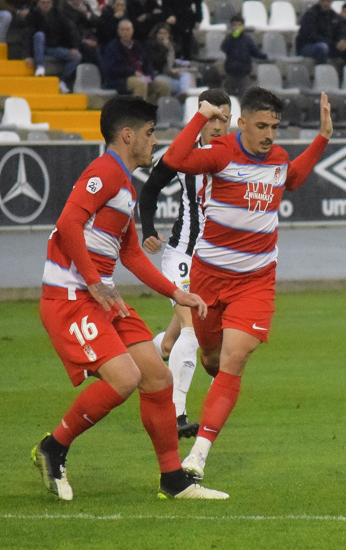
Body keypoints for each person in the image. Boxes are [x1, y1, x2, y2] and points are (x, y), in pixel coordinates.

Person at [32, 95, 228, 502]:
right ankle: (54, 446)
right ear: (127, 135)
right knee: (125, 378)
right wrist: (92, 281)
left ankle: (172, 479)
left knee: (158, 378)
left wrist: (178, 293)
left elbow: (131, 252)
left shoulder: (123, 181)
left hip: (99, 296)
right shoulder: (105, 170)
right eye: (150, 132)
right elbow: (68, 221)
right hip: (70, 296)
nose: (154, 140)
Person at [161, 89, 333, 482]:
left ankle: (198, 456)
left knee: (234, 359)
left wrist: (322, 136)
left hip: (256, 281)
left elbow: (291, 178)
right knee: (212, 359)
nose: (270, 134)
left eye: (274, 126)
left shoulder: (277, 158)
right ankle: (206, 380)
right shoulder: (221, 152)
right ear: (242, 124)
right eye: (261, 126)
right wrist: (200, 118)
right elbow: (173, 160)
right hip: (208, 279)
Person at [138, 88, 232, 438]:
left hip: (216, 264)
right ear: (199, 116)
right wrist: (148, 229)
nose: (217, 125)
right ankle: (175, 415)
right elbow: (150, 190)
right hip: (182, 254)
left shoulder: (237, 156)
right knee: (193, 331)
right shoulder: (182, 154)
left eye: (224, 118)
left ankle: (145, 355)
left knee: (171, 344)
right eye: (212, 117)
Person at [101, 19, 171, 102]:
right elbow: (111, 69)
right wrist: (133, 72)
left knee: (163, 85)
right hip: (121, 80)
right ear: (118, 31)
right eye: (123, 30)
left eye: (128, 29)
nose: (126, 32)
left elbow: (147, 64)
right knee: (140, 83)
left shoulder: (137, 45)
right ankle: (139, 113)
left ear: (132, 30)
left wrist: (150, 75)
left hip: (142, 76)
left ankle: (159, 112)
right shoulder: (112, 47)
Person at [25, 0, 83, 93]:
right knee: (39, 35)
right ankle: (40, 66)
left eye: (48, 3)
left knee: (77, 57)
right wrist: (28, 55)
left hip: (52, 48)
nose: (46, 5)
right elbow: (28, 36)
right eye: (43, 3)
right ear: (38, 4)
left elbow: (70, 30)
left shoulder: (58, 15)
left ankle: (62, 80)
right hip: (37, 47)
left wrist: (74, 47)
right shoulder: (32, 16)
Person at [296, 0, 346, 64]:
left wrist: (341, 41)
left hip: (330, 45)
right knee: (322, 47)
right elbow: (311, 36)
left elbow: (340, 31)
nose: (326, 3)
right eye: (324, 1)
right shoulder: (310, 14)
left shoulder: (334, 16)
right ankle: (321, 72)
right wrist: (334, 44)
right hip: (308, 46)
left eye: (328, 1)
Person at [220, 15, 267, 97]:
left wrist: (265, 56)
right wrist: (232, 37)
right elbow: (224, 48)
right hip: (231, 73)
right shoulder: (229, 39)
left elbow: (255, 52)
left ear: (243, 26)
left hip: (244, 74)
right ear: (231, 26)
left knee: (244, 98)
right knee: (229, 98)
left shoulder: (247, 39)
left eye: (239, 25)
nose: (237, 27)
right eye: (234, 25)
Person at [145, 22, 195, 96]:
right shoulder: (151, 46)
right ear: (156, 34)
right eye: (160, 33)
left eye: (165, 33)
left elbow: (173, 63)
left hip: (171, 74)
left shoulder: (172, 46)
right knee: (181, 85)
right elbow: (157, 63)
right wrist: (165, 49)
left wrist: (180, 69)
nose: (163, 36)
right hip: (158, 75)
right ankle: (182, 97)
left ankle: (183, 96)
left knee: (187, 75)